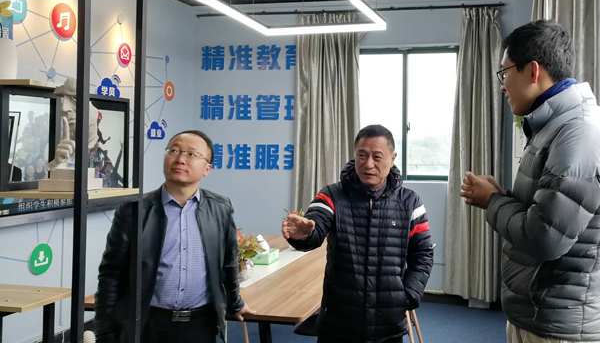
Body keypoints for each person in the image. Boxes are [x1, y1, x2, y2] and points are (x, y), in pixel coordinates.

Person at [460, 20, 600, 343]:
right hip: (540, 315)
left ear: (533, 71)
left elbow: (545, 237)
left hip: (557, 325)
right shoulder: (553, 126)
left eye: (504, 73)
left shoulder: (577, 133)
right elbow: (548, 210)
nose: (502, 86)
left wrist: (492, 201)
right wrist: (501, 195)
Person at [95, 130, 254, 343]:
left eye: (191, 154)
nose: (180, 159)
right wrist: (104, 332)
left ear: (207, 169)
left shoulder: (220, 208)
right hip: (146, 324)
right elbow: (111, 273)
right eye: (174, 151)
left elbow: (228, 264)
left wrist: (235, 303)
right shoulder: (134, 210)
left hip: (200, 325)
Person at [282, 124, 434, 343]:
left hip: (388, 325)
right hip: (338, 323)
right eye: (362, 155)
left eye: (377, 157)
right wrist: (304, 234)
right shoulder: (332, 195)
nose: (368, 164)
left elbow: (423, 254)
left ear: (392, 159)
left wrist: (408, 295)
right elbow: (316, 225)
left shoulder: (410, 202)